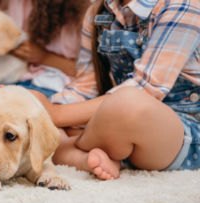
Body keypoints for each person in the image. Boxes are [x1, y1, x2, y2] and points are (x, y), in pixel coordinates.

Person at [30, 0, 200, 180]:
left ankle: (71, 148)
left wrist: (56, 114)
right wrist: (43, 108)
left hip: (181, 133)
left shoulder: (184, 4)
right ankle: (85, 159)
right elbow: (85, 86)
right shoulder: (97, 13)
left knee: (127, 104)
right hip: (118, 127)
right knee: (44, 128)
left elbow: (147, 88)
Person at [0, 0, 90, 97]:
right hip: (8, 76)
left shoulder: (79, 13)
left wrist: (44, 57)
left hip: (51, 84)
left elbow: (89, 74)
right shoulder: (8, 3)